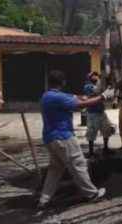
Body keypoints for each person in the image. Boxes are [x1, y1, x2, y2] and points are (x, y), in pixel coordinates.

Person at [38, 70, 115, 209]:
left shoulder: (47, 95)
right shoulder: (59, 98)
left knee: (55, 169)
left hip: (50, 138)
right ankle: (92, 194)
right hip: (63, 137)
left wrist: (85, 96)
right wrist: (103, 96)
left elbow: (75, 97)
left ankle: (44, 198)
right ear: (63, 82)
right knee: (78, 164)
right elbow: (80, 105)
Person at [83, 72, 115, 157]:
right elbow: (97, 91)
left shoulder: (98, 85)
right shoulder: (87, 86)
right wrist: (103, 82)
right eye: (93, 75)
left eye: (96, 75)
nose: (96, 76)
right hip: (92, 113)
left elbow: (104, 93)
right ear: (89, 78)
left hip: (101, 112)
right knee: (91, 133)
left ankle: (105, 148)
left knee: (106, 129)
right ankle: (91, 152)